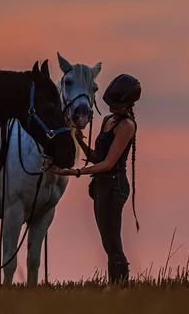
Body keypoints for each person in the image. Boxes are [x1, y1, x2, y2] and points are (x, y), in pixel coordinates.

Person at [52, 74, 141, 285]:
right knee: (106, 240)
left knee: (112, 241)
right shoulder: (107, 121)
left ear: (129, 104)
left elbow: (109, 164)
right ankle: (116, 286)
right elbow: (97, 158)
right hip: (102, 184)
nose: (112, 108)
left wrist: (75, 172)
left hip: (114, 184)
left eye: (117, 105)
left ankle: (120, 286)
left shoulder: (126, 126)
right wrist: (80, 142)